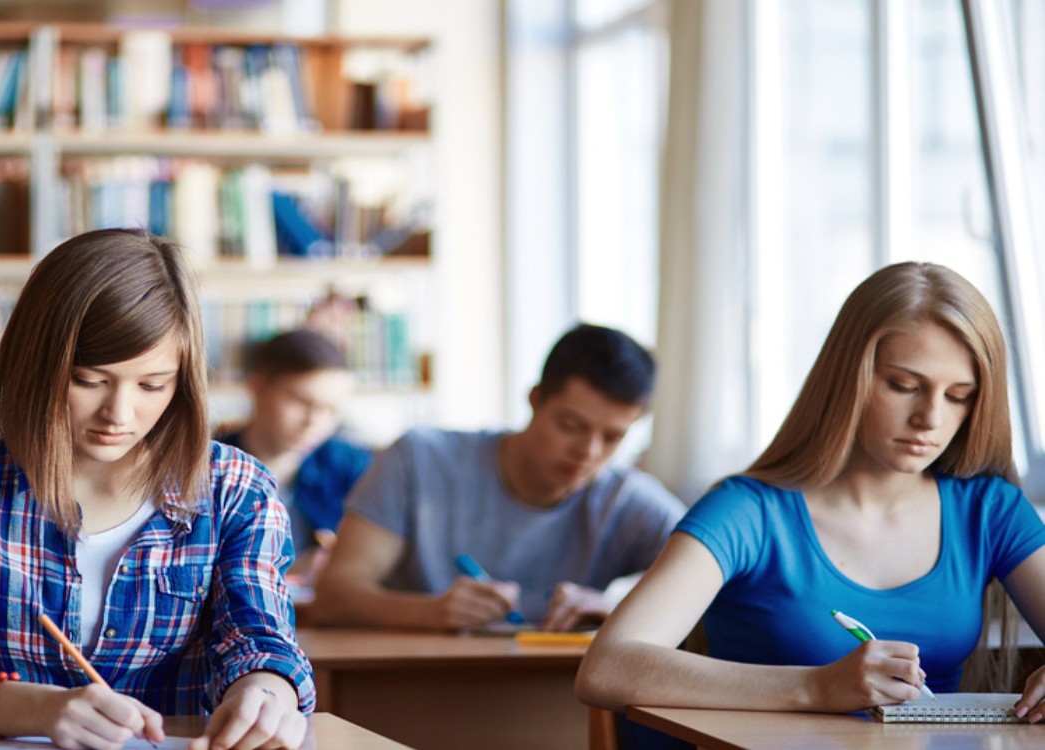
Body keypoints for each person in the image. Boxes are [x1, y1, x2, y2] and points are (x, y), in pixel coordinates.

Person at [0, 228, 314, 750]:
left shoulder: (236, 491)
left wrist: (267, 696)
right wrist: (38, 709)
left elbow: (260, 643)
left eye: (152, 385)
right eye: (90, 380)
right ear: (37, 367)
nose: (119, 413)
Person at [576, 262, 1045, 728]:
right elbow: (607, 668)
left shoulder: (990, 511)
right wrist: (818, 687)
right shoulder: (748, 512)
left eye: (959, 396)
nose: (930, 418)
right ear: (848, 379)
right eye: (904, 386)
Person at [314, 323, 684, 632]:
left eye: (612, 437)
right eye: (571, 426)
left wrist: (616, 607)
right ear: (536, 400)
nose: (588, 452)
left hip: (557, 703)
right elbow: (333, 596)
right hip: (411, 693)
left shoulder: (628, 499)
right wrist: (429, 612)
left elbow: (725, 586)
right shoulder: (419, 459)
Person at [215, 328, 373, 582]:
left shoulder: (352, 466)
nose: (314, 421)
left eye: (330, 409)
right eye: (301, 401)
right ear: (257, 387)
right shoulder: (206, 466)